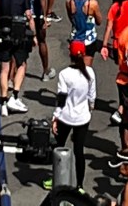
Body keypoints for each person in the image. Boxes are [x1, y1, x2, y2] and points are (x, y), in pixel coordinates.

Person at [44, 40, 96, 192]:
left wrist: (55, 118)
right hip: (82, 118)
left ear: (70, 55)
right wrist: (89, 109)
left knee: (58, 147)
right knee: (79, 151)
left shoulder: (64, 74)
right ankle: (79, 186)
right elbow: (92, 96)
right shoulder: (90, 72)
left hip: (66, 117)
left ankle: (55, 178)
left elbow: (61, 99)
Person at [0, 0, 36, 116]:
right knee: (22, 64)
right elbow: (29, 16)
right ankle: (14, 96)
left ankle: (3, 102)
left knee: (4, 68)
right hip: (18, 34)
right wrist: (34, 35)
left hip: (2, 33)